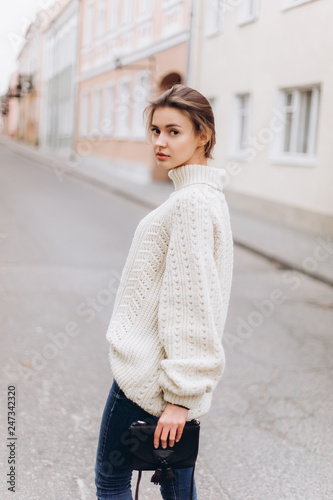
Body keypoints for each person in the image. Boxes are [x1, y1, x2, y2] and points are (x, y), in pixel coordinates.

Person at [94, 84, 234, 500]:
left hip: (147, 380)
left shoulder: (190, 203)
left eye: (174, 132)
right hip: (169, 381)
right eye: (155, 130)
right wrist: (184, 395)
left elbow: (192, 305)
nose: (160, 141)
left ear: (202, 135)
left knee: (112, 481)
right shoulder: (206, 196)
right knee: (176, 484)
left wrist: (180, 397)